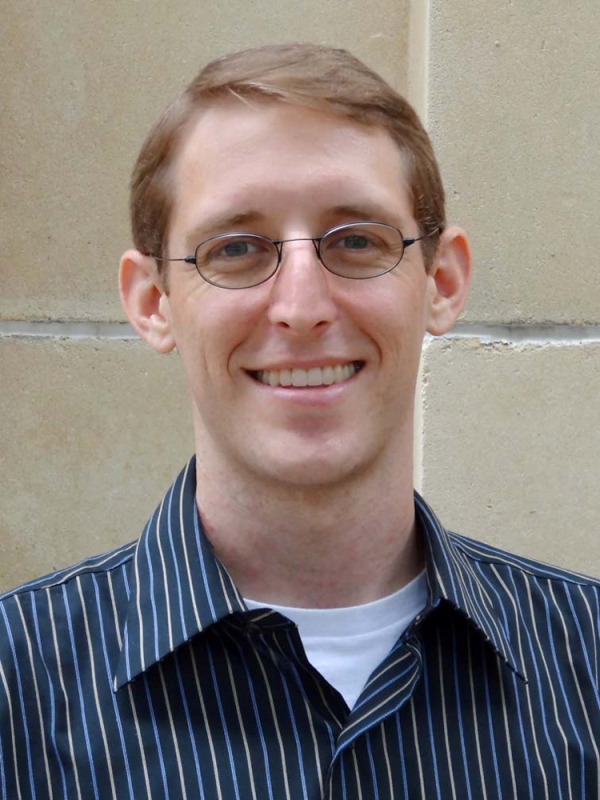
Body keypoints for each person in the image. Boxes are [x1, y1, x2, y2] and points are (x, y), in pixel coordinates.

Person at [1, 43, 599, 800]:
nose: (302, 307)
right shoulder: (17, 688)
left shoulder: (587, 665)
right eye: (236, 249)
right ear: (153, 303)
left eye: (357, 241)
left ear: (441, 283)